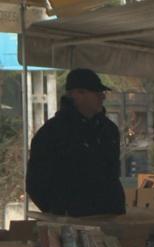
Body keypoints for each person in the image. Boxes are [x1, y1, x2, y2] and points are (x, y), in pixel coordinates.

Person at [26, 68, 126, 217]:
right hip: (71, 220)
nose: (102, 97)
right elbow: (36, 182)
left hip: (109, 216)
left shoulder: (108, 130)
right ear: (78, 94)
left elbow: (112, 174)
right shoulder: (52, 133)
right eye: (97, 92)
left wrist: (115, 206)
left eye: (102, 93)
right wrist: (60, 211)